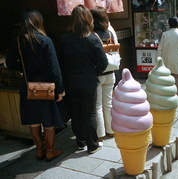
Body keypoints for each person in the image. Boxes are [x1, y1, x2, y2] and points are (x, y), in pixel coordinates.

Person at [6, 9, 64, 162]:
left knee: (33, 120)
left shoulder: (18, 41)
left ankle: (39, 151)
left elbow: (10, 62)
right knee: (49, 122)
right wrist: (60, 89)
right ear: (38, 22)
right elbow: (54, 67)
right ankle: (50, 151)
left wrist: (24, 70)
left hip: (27, 86)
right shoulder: (45, 40)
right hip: (44, 86)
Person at [58, 5, 108, 153]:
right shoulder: (92, 39)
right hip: (88, 81)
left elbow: (61, 61)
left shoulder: (64, 39)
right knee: (90, 113)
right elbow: (103, 63)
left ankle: (80, 142)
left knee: (76, 113)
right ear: (88, 20)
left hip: (70, 82)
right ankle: (92, 145)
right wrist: (95, 72)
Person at [90, 6, 116, 141]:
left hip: (98, 73)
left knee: (98, 105)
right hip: (110, 71)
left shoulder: (92, 35)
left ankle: (100, 134)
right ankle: (111, 130)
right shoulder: (110, 33)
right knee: (109, 103)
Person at [157, 17, 178, 101]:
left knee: (167, 79)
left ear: (169, 24)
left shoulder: (165, 34)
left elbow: (160, 49)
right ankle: (177, 95)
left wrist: (158, 60)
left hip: (166, 61)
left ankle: (168, 94)